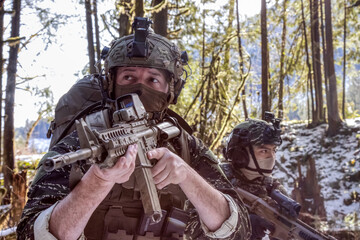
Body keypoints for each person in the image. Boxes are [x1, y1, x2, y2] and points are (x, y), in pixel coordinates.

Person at [16, 17, 250, 240]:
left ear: (171, 89)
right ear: (110, 84)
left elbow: (239, 231)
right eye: (128, 77)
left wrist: (187, 176)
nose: (139, 88)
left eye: (153, 79)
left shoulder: (185, 146)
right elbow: (29, 234)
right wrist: (96, 182)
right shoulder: (78, 146)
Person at [221, 114, 287, 240]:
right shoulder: (216, 178)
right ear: (241, 155)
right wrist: (243, 227)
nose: (272, 156)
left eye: (274, 150)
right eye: (264, 151)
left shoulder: (273, 189)